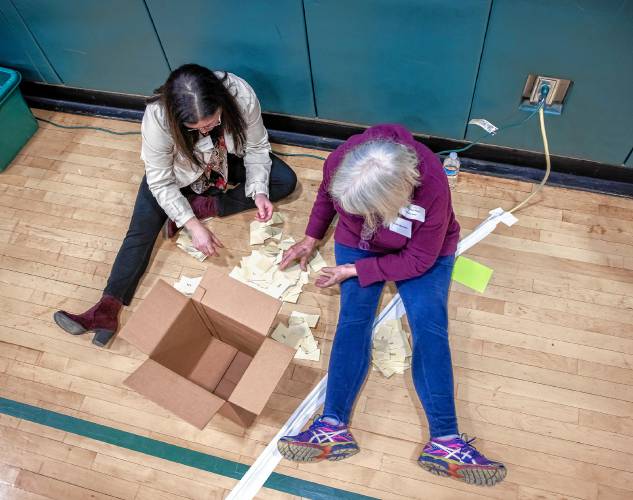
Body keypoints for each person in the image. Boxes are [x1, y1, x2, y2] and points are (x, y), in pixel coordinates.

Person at [276, 124, 506, 487]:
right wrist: (311, 238)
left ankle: (445, 440)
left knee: (430, 327)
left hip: (421, 252)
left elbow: (417, 261)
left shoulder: (431, 183)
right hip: (358, 242)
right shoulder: (342, 161)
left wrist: (356, 269)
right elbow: (324, 195)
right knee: (352, 322)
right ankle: (331, 425)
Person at [53, 64, 297, 347]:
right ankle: (106, 309)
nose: (207, 129)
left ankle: (204, 205)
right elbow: (159, 182)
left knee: (283, 181)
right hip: (177, 175)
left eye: (212, 121)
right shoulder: (157, 117)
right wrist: (192, 226)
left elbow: (256, 147)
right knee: (140, 231)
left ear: (221, 101)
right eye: (197, 127)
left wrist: (258, 193)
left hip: (224, 160)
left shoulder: (240, 94)